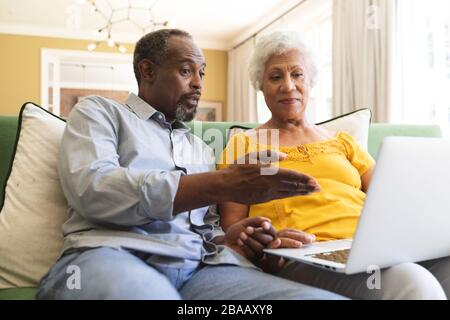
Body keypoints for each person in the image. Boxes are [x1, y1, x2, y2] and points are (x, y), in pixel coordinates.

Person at [35, 29, 345, 300]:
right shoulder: (99, 112)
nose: (198, 83)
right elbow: (94, 189)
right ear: (147, 71)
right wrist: (220, 183)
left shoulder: (198, 146)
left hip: (201, 268)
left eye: (202, 73)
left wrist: (234, 237)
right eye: (186, 71)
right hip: (111, 254)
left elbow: (205, 228)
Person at [218, 31, 450, 300]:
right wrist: (267, 240)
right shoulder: (244, 145)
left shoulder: (343, 142)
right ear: (261, 85)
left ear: (311, 81)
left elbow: (390, 200)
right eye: (275, 76)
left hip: (371, 248)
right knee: (412, 283)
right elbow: (233, 226)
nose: (288, 86)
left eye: (297, 74)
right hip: (304, 255)